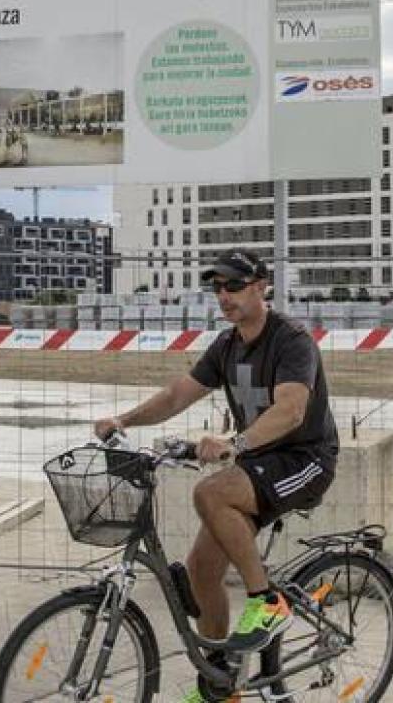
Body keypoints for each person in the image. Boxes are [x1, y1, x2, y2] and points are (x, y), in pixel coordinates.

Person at [92, 250, 338, 682]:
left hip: (305, 460)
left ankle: (266, 602)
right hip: (258, 463)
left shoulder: (291, 340)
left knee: (210, 492)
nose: (224, 295)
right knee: (201, 573)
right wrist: (123, 421)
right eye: (217, 287)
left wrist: (233, 443)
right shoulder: (227, 345)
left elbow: (291, 411)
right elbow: (177, 395)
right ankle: (220, 682)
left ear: (261, 287)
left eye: (235, 285)